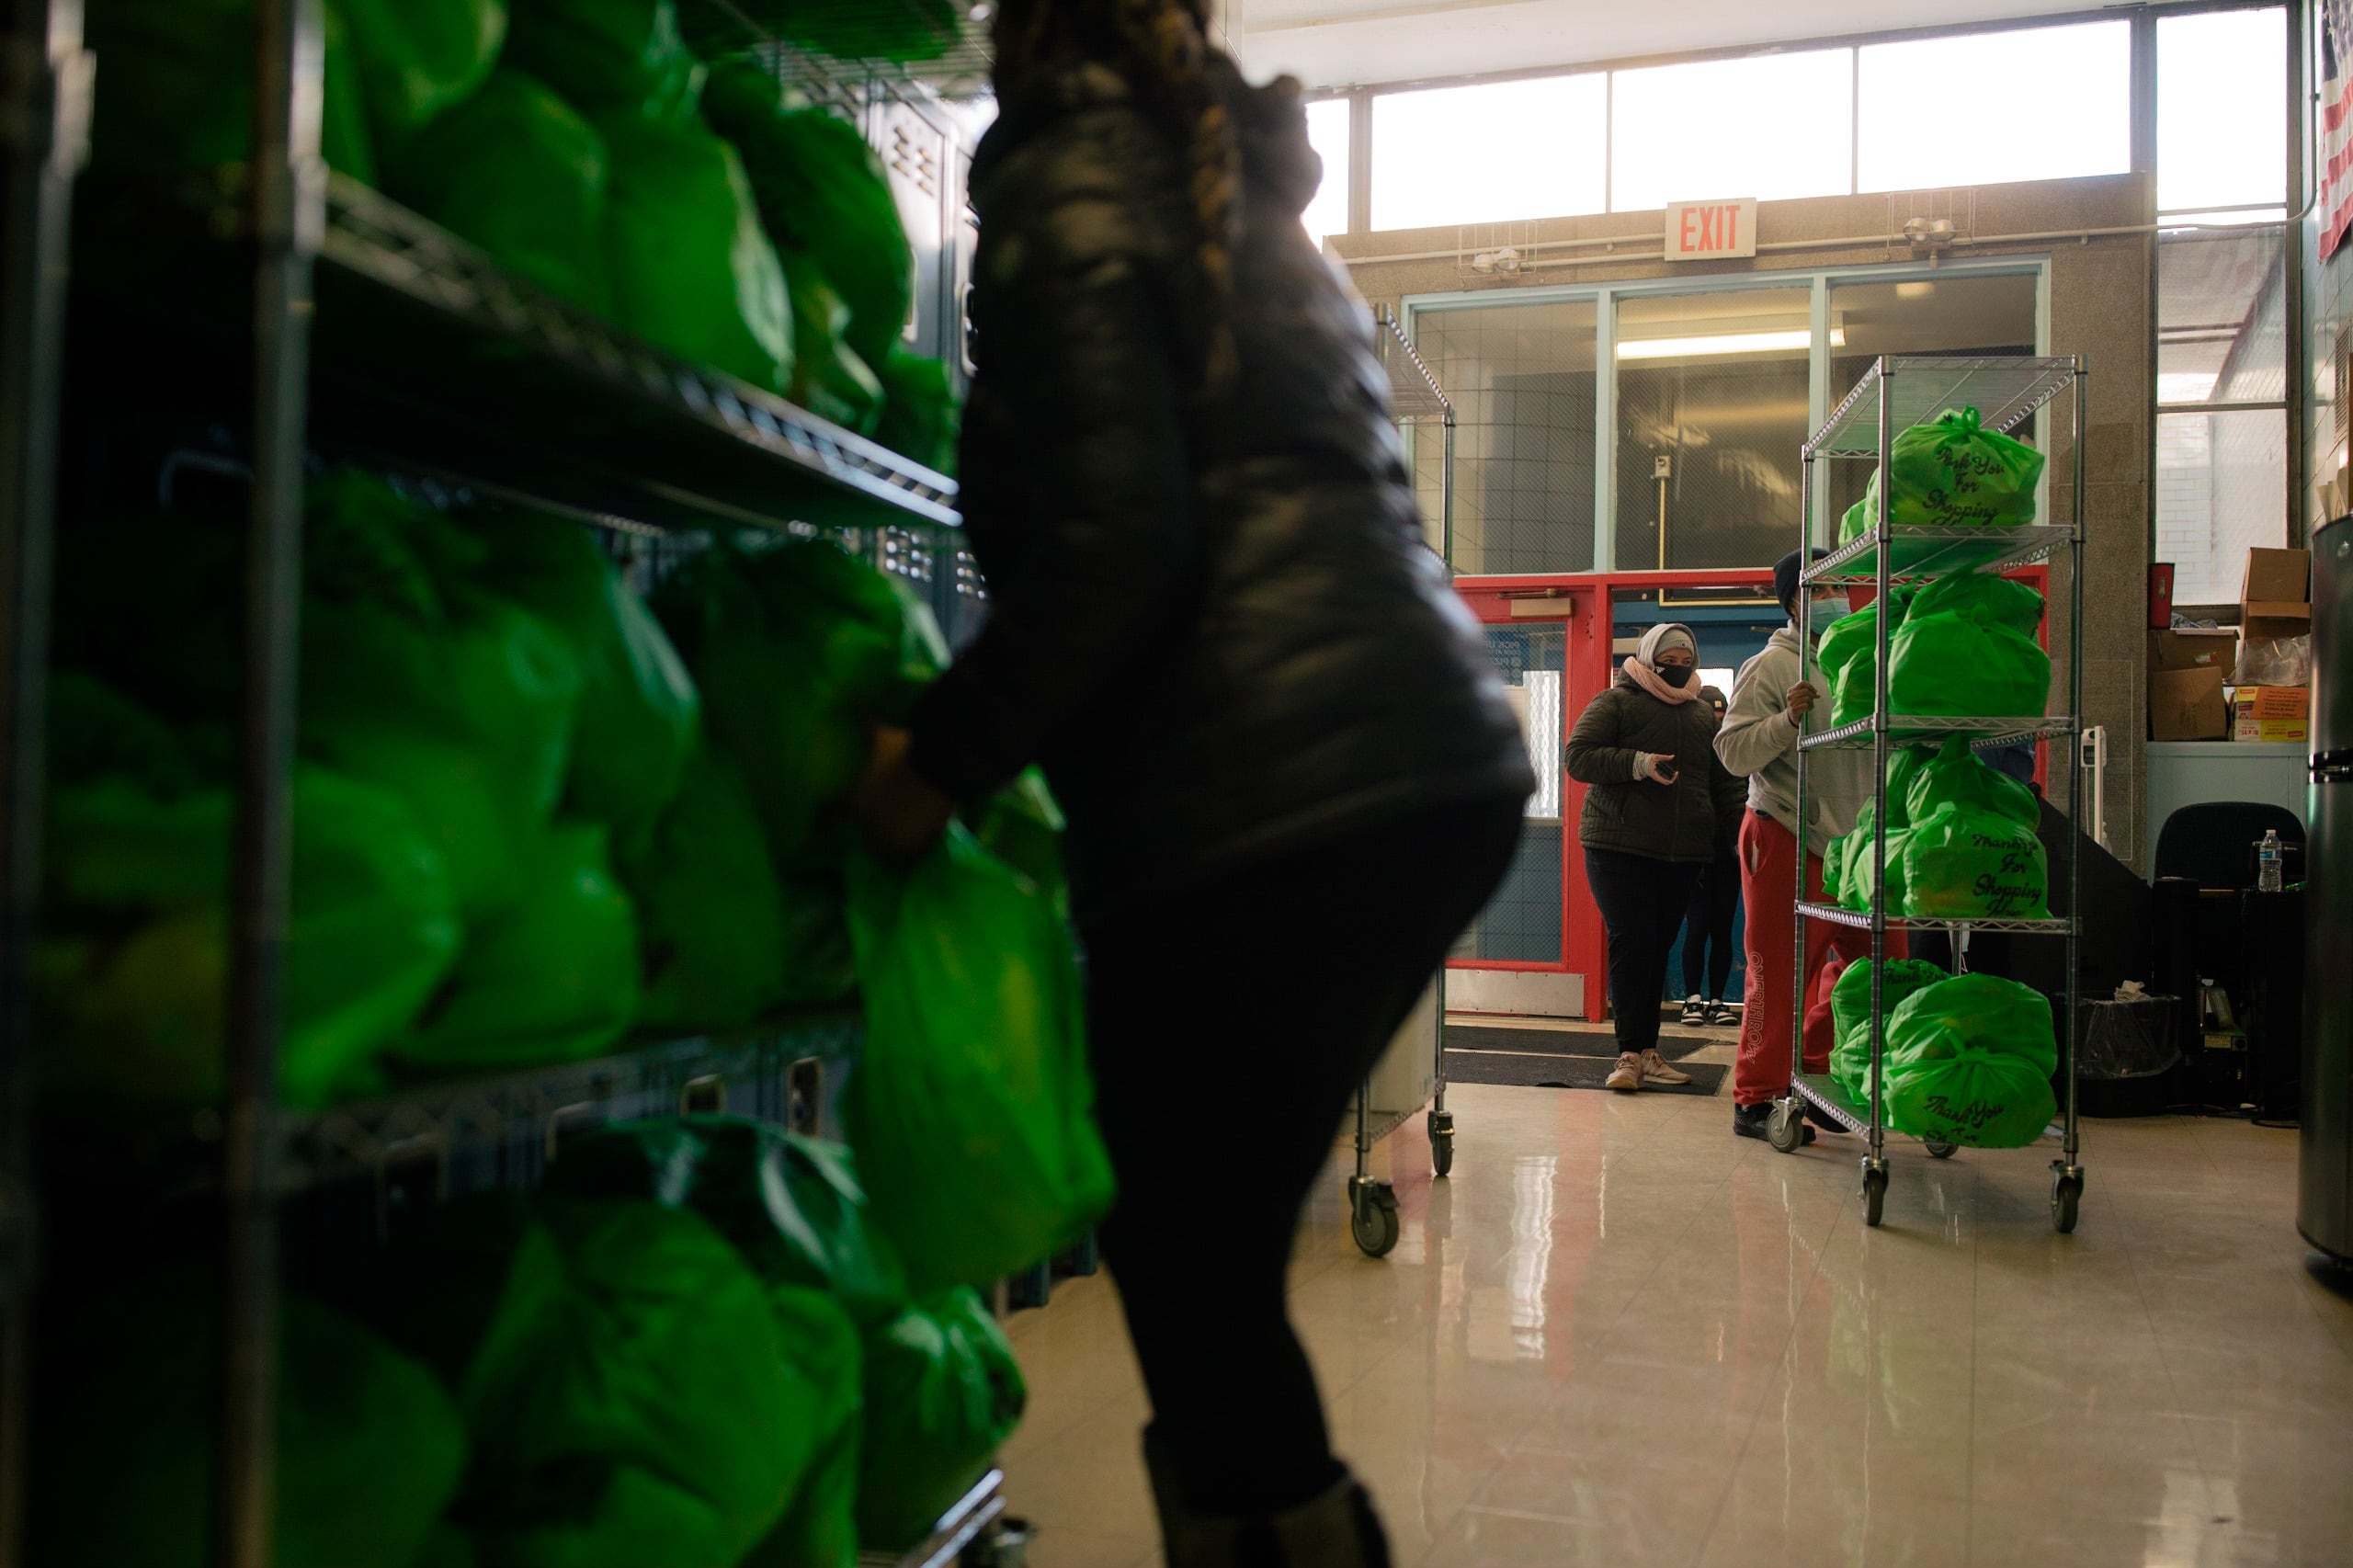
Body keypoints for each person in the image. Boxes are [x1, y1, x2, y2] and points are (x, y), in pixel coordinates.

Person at [851, 5, 1535, 1562]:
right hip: (1411, 756)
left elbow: (1116, 540)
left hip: (1278, 789)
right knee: (1194, 1256)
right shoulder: (1232, 190)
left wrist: (934, 770)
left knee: (1191, 1263)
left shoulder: (1071, 168)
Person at [1715, 548, 1907, 1142]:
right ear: (1795, 601)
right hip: (1786, 833)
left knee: (1882, 965)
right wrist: (1787, 722)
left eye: (1841, 585)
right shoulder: (1770, 669)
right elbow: (1731, 752)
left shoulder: (1863, 662)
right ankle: (1757, 1094)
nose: (1837, 597)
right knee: (1778, 972)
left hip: (1861, 845)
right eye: (1822, 589)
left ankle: (1815, 1067)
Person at [1563, 625, 1748, 1092]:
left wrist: (1740, 837)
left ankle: (1648, 1051)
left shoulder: (1704, 712)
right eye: (1669, 655)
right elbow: (1579, 757)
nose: (1678, 663)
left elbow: (1724, 782)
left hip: (1684, 851)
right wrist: (1637, 763)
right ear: (1648, 656)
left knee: (1656, 946)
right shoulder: (1617, 701)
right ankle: (1627, 1054)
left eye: (1687, 656)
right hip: (1617, 845)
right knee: (1632, 942)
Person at [1678, 684, 1743, 1029]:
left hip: (1726, 856)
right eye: (1711, 716)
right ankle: (1691, 999)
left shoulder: (1733, 753)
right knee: (1698, 925)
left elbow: (1738, 798)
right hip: (1696, 855)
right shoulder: (1689, 752)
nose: (1716, 723)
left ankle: (1718, 1001)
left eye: (1722, 715)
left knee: (1722, 929)